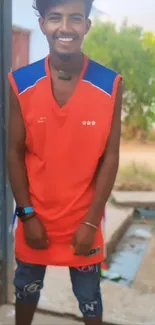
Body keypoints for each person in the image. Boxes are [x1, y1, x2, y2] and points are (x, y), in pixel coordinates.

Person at [8, 0, 123, 324]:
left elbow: (110, 157)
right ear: (43, 23)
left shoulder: (110, 84)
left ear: (87, 26)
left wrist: (90, 222)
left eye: (75, 18)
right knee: (25, 292)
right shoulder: (20, 82)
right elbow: (14, 152)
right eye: (56, 17)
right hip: (35, 218)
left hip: (83, 221)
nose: (65, 27)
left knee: (90, 299)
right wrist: (27, 215)